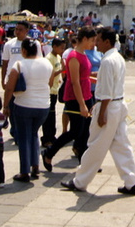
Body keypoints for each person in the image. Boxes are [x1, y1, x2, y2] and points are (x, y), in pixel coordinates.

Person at [61, 27, 135, 195]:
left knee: (96, 144)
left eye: (98, 40)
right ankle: (131, 182)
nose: (95, 43)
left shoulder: (107, 61)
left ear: (107, 42)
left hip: (108, 106)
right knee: (122, 145)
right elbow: (111, 80)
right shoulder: (117, 57)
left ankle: (80, 181)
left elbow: (107, 92)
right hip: (119, 105)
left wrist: (102, 113)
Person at [41, 28, 95, 170]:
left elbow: (83, 77)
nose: (93, 43)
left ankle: (84, 162)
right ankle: (49, 152)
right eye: (92, 40)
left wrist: (96, 78)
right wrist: (82, 105)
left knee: (85, 131)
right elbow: (75, 81)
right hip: (75, 98)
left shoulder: (83, 54)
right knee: (75, 131)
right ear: (84, 39)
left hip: (87, 95)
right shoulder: (74, 56)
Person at [3, 38, 52, 182]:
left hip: (24, 104)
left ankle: (24, 171)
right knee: (34, 134)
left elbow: (9, 88)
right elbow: (49, 82)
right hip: (43, 105)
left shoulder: (19, 65)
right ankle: (35, 165)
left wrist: (5, 106)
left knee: (24, 138)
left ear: (24, 51)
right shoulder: (47, 63)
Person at [41, 37, 65, 147]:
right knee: (48, 115)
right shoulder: (49, 58)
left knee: (52, 114)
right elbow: (49, 74)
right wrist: (61, 70)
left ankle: (52, 136)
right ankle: (46, 138)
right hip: (49, 90)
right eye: (61, 48)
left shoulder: (58, 57)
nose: (62, 50)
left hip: (56, 89)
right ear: (54, 47)